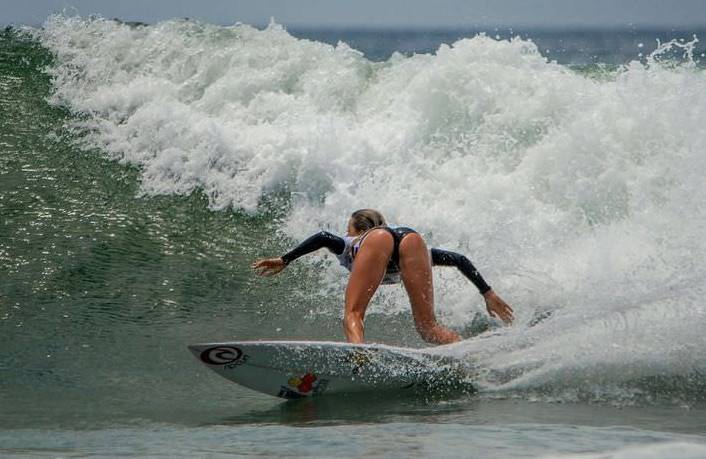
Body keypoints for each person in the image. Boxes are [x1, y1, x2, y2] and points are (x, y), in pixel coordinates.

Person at [252, 209, 513, 345]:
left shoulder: (353, 242)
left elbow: (322, 237)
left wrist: (285, 259)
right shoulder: (412, 246)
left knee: (353, 313)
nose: (346, 233)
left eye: (348, 229)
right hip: (412, 238)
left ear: (357, 231)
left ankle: (358, 353)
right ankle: (460, 349)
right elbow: (458, 259)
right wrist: (487, 292)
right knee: (428, 328)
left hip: (380, 239)